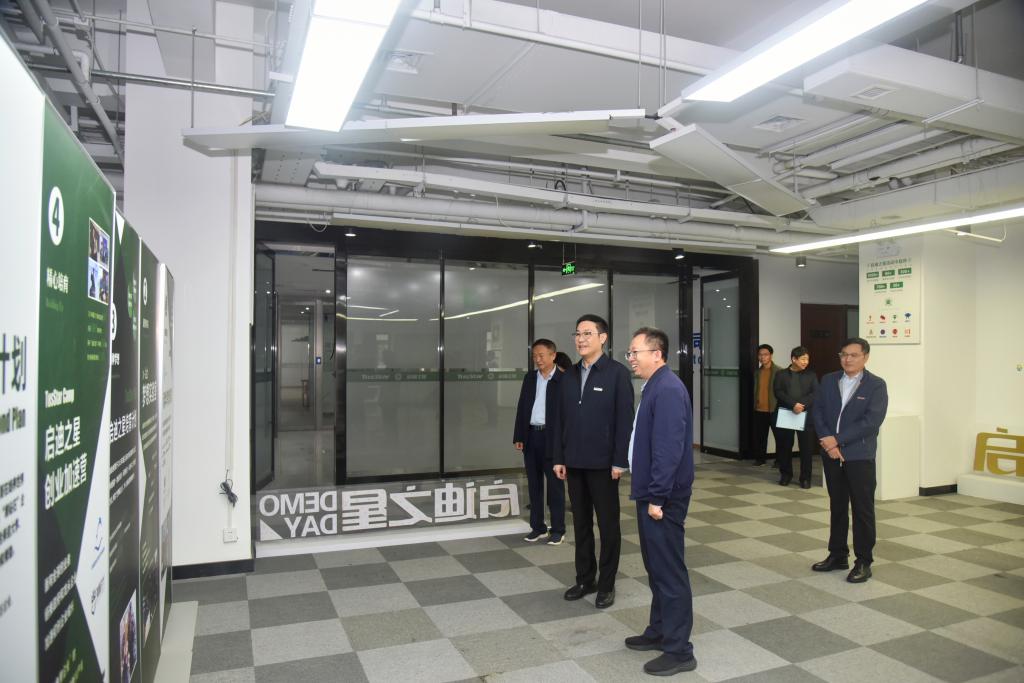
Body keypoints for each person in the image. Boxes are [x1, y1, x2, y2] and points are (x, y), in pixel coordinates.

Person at [623, 327, 698, 677]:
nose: (631, 358)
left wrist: (657, 496)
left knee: (669, 572)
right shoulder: (654, 385)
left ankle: (680, 650)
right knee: (656, 567)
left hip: (663, 497)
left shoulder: (667, 389)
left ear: (657, 354)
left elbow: (669, 449)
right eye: (630, 353)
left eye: (635, 352)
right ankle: (660, 630)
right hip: (652, 492)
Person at [553, 314, 634, 609]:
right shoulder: (569, 375)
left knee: (608, 526)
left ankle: (607, 585)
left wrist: (619, 461)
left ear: (603, 338)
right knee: (582, 524)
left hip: (604, 465)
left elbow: (625, 421)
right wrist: (559, 457)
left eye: (587, 333)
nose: (581, 339)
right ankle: (585, 578)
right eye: (577, 334)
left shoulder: (617, 373)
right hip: (574, 463)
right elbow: (559, 420)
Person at [811, 337, 888, 583]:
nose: (847, 359)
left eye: (854, 355)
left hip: (859, 455)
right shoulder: (829, 380)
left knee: (862, 509)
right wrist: (828, 442)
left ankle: (864, 561)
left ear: (866, 357)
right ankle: (837, 555)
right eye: (843, 354)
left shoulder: (876, 385)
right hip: (831, 454)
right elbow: (818, 411)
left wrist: (837, 440)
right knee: (837, 506)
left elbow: (871, 421)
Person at [512, 339, 566, 545]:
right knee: (534, 485)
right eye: (534, 356)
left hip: (553, 438)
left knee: (555, 486)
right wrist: (519, 436)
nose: (537, 359)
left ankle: (558, 529)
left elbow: (569, 414)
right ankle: (538, 527)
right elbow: (522, 407)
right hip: (531, 435)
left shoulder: (564, 379)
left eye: (541, 355)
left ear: (553, 355)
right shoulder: (530, 378)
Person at [773, 346, 819, 488]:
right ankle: (786, 475)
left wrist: (801, 405)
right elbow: (778, 392)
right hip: (787, 413)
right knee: (785, 446)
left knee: (806, 448)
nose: (806, 362)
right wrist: (793, 404)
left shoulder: (811, 375)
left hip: (805, 415)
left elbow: (815, 393)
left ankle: (805, 478)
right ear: (794, 359)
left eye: (807, 359)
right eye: (803, 359)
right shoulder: (781, 374)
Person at [752, 344, 781, 466]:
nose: (762, 357)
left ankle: (779, 461)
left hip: (774, 409)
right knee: (760, 436)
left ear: (771, 355)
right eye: (760, 355)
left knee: (779, 437)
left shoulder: (779, 371)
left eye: (765, 354)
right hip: (759, 409)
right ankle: (760, 459)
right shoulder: (757, 372)